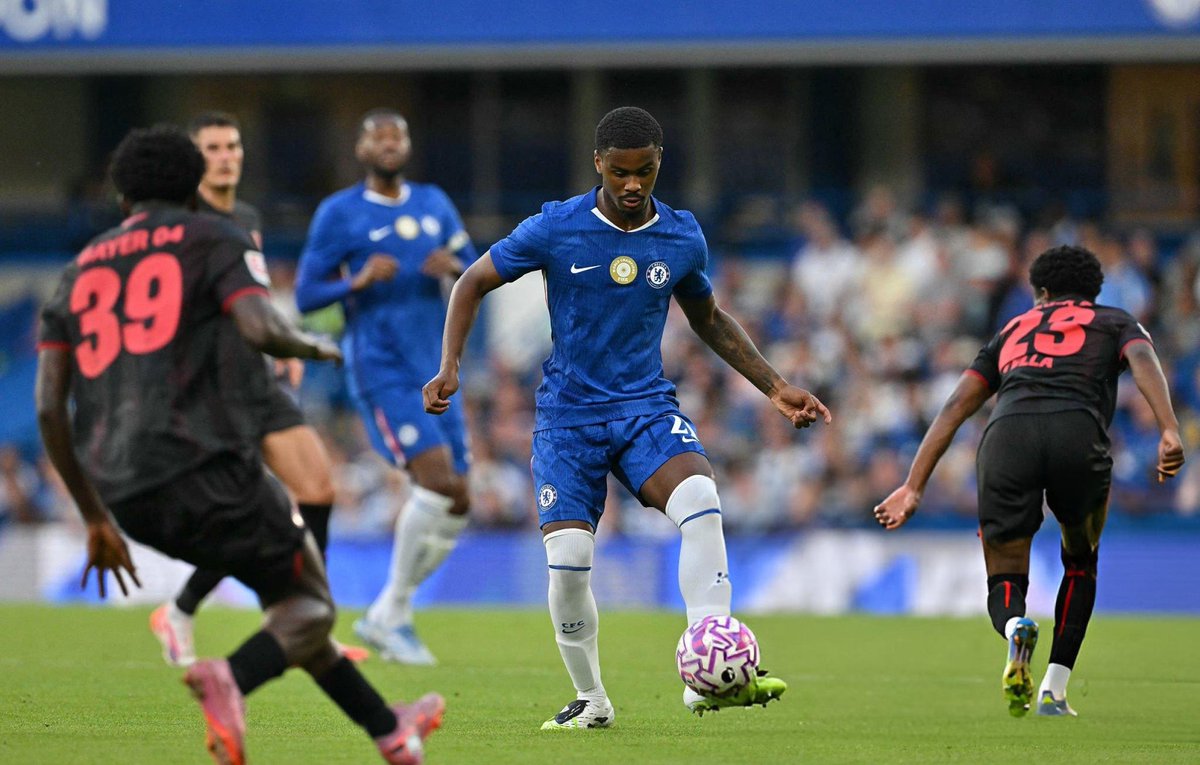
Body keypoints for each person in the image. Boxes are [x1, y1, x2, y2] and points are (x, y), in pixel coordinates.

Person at [35, 125, 442, 765]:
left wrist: (92, 515)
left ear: (122, 199)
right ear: (192, 189)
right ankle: (232, 679)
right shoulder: (212, 235)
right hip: (199, 465)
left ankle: (389, 728)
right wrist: (312, 346)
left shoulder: (77, 270)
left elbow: (47, 405)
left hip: (119, 490)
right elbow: (258, 326)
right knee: (310, 606)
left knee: (291, 608)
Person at [422, 106, 831, 728]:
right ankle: (592, 699)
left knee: (699, 499)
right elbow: (471, 283)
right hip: (568, 420)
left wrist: (773, 385)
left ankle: (706, 672)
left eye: (644, 171)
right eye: (620, 172)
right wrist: (451, 365)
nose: (633, 184)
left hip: (644, 408)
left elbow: (710, 319)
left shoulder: (681, 235)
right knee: (568, 566)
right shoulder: (556, 227)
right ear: (599, 165)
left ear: (659, 164)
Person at [874, 245, 1185, 718]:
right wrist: (1168, 427)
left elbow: (958, 404)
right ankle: (1054, 691)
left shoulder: (1013, 328)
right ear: (1093, 291)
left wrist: (914, 484)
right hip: (1076, 436)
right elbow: (1143, 360)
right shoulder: (1115, 320)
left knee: (1004, 574)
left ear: (1040, 293)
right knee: (1080, 561)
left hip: (1007, 438)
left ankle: (1017, 623)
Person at [148, 111, 362, 667]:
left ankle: (310, 619)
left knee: (317, 487)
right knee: (247, 516)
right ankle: (181, 610)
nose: (226, 155)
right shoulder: (178, 222)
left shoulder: (244, 216)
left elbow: (253, 294)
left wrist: (278, 346)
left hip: (256, 377)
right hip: (207, 387)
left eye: (233, 145)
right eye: (214, 147)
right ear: (194, 159)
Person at [295, 108, 477, 665]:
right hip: (381, 368)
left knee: (462, 498)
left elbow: (475, 267)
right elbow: (306, 294)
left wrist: (455, 264)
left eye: (397, 134)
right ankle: (390, 612)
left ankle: (391, 612)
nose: (389, 144)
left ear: (408, 144)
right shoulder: (339, 213)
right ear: (362, 149)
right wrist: (356, 279)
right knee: (439, 481)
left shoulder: (434, 203)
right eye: (378, 136)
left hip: (437, 366)